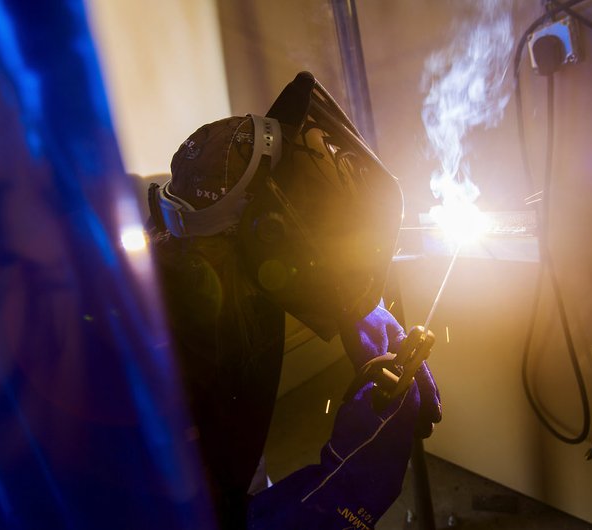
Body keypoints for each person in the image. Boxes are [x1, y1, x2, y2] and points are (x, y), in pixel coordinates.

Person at [147, 72, 441, 529]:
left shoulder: (210, 249)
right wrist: (345, 488)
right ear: (262, 233)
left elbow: (291, 273)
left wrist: (363, 308)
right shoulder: (158, 358)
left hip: (228, 466)